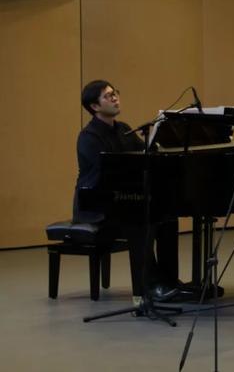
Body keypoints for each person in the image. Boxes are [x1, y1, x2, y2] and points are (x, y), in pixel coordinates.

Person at [73, 79, 187, 303]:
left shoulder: (123, 129)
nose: (115, 98)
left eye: (115, 93)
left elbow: (145, 155)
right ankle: (148, 286)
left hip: (123, 200)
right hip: (95, 207)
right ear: (94, 106)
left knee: (167, 218)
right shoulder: (88, 137)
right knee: (141, 222)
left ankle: (168, 280)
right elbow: (106, 173)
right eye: (108, 96)